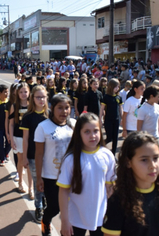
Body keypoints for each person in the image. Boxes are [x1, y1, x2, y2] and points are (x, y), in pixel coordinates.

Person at [102, 132, 159, 236]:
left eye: (156, 158)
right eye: (144, 160)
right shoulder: (119, 201)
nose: (152, 165)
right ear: (128, 162)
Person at [58, 113, 115, 236]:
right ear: (79, 133)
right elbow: (63, 191)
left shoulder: (107, 155)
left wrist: (111, 212)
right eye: (87, 132)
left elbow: (109, 187)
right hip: (75, 218)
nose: (93, 135)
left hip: (100, 217)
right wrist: (64, 221)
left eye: (96, 131)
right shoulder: (70, 159)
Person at [34, 94, 76, 236]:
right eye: (60, 108)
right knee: (55, 207)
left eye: (67, 108)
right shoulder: (43, 127)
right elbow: (39, 154)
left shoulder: (74, 125)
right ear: (52, 108)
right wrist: (39, 178)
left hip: (71, 175)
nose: (64, 111)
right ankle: (46, 220)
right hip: (51, 176)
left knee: (71, 208)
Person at [20, 85, 49, 222]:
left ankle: (45, 202)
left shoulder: (50, 115)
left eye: (43, 97)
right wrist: (24, 157)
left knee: (49, 183)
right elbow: (25, 139)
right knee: (38, 182)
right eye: (38, 97)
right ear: (33, 98)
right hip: (33, 156)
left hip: (49, 156)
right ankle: (39, 206)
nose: (41, 100)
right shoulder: (28, 117)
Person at [9, 82, 30, 193]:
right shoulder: (14, 106)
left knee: (31, 163)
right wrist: (11, 138)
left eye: (25, 91)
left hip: (30, 137)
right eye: (21, 92)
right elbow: (11, 123)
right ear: (17, 93)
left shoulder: (32, 105)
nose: (23, 94)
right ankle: (21, 182)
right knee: (21, 160)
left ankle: (31, 187)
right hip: (18, 136)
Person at [100, 79, 123, 155]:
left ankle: (113, 154)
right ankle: (100, 147)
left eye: (118, 87)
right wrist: (100, 119)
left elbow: (120, 108)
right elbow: (102, 108)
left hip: (116, 120)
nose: (117, 88)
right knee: (109, 137)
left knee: (115, 138)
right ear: (111, 87)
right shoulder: (106, 97)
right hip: (108, 120)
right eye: (115, 87)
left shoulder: (118, 97)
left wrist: (122, 118)